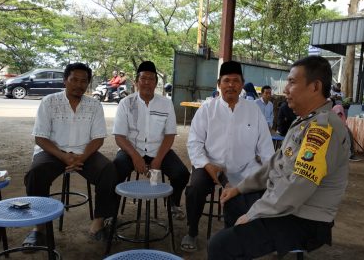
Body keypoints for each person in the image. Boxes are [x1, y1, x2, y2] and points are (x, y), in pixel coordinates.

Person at [208, 56, 350, 259]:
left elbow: (298, 186)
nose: (285, 89)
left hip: (304, 218)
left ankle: (237, 243)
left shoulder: (322, 128)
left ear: (315, 86)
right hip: (285, 204)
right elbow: (274, 164)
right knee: (233, 201)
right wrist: (239, 188)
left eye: (292, 82)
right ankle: (241, 243)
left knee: (219, 246)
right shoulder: (303, 122)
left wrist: (254, 213)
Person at [181, 61, 275, 252]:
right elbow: (194, 143)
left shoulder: (253, 110)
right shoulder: (207, 110)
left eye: (235, 81)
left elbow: (265, 148)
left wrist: (271, 174)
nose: (231, 85)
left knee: (264, 188)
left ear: (242, 84)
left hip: (245, 169)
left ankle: (239, 238)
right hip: (210, 166)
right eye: (226, 81)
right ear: (219, 84)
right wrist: (207, 165)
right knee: (194, 189)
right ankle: (192, 231)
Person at [23, 62, 119, 247]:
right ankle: (39, 228)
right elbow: (40, 138)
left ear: (88, 84)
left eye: (84, 81)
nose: (78, 85)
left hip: (85, 153)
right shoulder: (49, 102)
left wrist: (81, 158)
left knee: (109, 170)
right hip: (52, 151)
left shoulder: (94, 105)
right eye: (74, 79)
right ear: (65, 80)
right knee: (36, 173)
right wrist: (63, 156)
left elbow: (98, 139)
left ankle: (98, 223)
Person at [112, 61, 190, 220]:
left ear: (156, 83)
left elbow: (169, 135)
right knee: (114, 171)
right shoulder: (126, 103)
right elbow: (119, 136)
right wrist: (135, 156)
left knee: (181, 174)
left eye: (151, 79)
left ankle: (174, 204)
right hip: (132, 149)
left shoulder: (166, 104)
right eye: (143, 78)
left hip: (158, 150)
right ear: (136, 81)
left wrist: (158, 160)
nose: (147, 82)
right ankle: (111, 212)